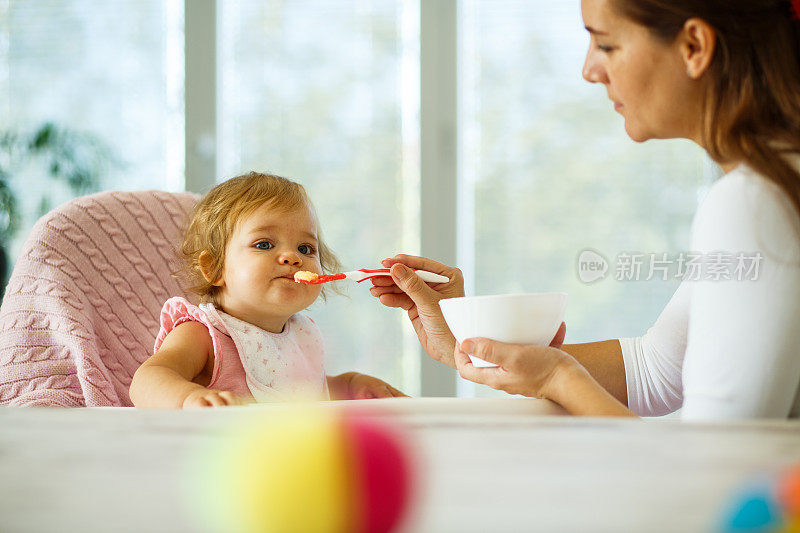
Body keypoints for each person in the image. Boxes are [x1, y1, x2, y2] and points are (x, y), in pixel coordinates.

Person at [370, 0, 800, 420]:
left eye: (607, 45)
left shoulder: (755, 202)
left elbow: (716, 464)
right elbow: (657, 371)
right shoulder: (770, 186)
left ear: (694, 47)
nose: (589, 69)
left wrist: (559, 378)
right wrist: (470, 342)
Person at [129, 172, 405, 408]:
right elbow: (147, 380)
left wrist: (349, 385)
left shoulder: (301, 335)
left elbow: (296, 392)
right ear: (215, 268)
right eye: (264, 244)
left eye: (305, 248)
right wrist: (189, 398)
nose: (292, 257)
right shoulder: (204, 334)